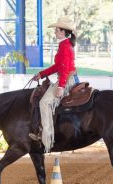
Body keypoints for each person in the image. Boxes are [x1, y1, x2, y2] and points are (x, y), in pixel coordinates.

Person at [29, 17, 77, 153]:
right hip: (65, 78)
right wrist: (42, 74)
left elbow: (66, 68)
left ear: (62, 32)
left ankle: (47, 140)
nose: (54, 32)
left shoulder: (66, 46)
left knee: (44, 103)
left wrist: (61, 87)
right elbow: (58, 66)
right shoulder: (65, 44)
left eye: (56, 30)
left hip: (66, 79)